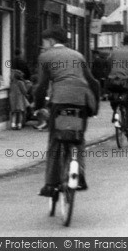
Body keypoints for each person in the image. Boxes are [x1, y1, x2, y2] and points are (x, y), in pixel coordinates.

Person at [33, 25, 100, 197]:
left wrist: (37, 106)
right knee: (77, 139)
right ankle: (80, 175)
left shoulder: (46, 56)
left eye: (44, 42)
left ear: (51, 41)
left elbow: (41, 86)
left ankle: (51, 184)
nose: (43, 46)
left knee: (56, 139)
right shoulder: (78, 55)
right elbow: (94, 83)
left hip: (61, 101)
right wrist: (95, 107)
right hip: (82, 101)